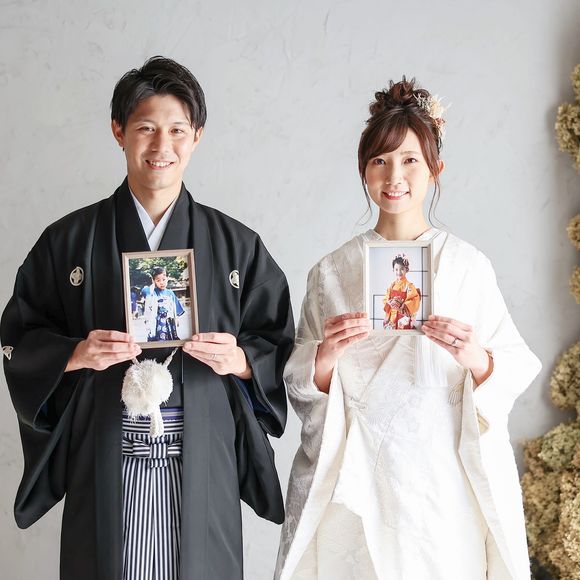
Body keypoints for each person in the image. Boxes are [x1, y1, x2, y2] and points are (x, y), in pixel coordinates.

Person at [1, 56, 294, 580]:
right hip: (105, 453)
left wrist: (242, 361)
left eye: (177, 130)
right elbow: (19, 335)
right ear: (119, 131)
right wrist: (74, 354)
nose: (162, 145)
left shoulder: (237, 245)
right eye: (145, 128)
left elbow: (278, 343)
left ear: (197, 136)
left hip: (202, 458)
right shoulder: (69, 240)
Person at [276, 78, 541, 580]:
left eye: (410, 160)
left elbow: (512, 363)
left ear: (435, 169)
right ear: (363, 170)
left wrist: (477, 359)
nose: (394, 175)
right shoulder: (331, 272)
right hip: (358, 473)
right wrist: (323, 360)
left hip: (441, 478)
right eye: (380, 160)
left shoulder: (467, 266)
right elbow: (301, 383)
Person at [144, 266, 184, 341]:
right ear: (154, 281)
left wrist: (177, 318)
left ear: (167, 278)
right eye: (158, 280)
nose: (162, 282)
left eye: (164, 279)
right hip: (158, 320)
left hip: (169, 319)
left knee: (171, 337)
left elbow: (175, 306)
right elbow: (145, 291)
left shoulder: (170, 293)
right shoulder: (152, 292)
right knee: (159, 338)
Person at [382, 253, 421, 330]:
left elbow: (414, 299)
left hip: (403, 316)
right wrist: (390, 302)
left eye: (402, 269)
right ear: (393, 270)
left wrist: (402, 306)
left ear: (406, 270)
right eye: (396, 269)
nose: (399, 272)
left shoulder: (409, 286)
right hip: (392, 316)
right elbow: (386, 298)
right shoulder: (392, 285)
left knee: (402, 333)